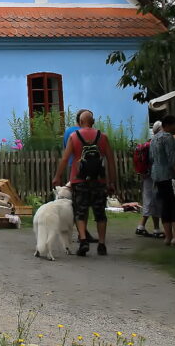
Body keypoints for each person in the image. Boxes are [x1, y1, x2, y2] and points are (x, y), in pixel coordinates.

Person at [52, 110, 117, 256]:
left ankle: (83, 240)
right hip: (99, 180)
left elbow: (64, 159)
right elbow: (111, 161)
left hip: (79, 179)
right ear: (93, 121)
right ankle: (101, 244)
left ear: (80, 122)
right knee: (100, 213)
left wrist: (57, 176)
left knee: (80, 211)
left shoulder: (74, 136)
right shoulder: (103, 137)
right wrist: (111, 182)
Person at [150, 115, 175, 246]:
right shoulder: (168, 138)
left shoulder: (154, 138)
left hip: (158, 176)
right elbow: (173, 160)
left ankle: (168, 237)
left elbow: (152, 158)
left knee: (165, 205)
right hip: (171, 176)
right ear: (168, 125)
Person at [137, 121, 163, 238]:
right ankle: (142, 227)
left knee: (152, 200)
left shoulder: (150, 142)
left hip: (147, 175)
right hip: (154, 175)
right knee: (152, 201)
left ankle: (155, 228)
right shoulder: (157, 143)